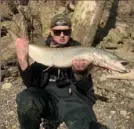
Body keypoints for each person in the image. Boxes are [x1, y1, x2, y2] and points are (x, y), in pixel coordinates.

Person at [16, 13, 99, 129]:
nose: (62, 35)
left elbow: (86, 88)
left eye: (66, 32)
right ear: (51, 32)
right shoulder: (42, 49)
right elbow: (31, 84)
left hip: (75, 102)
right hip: (50, 101)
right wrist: (22, 60)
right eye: (57, 32)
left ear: (70, 32)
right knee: (26, 99)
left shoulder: (80, 50)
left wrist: (80, 73)